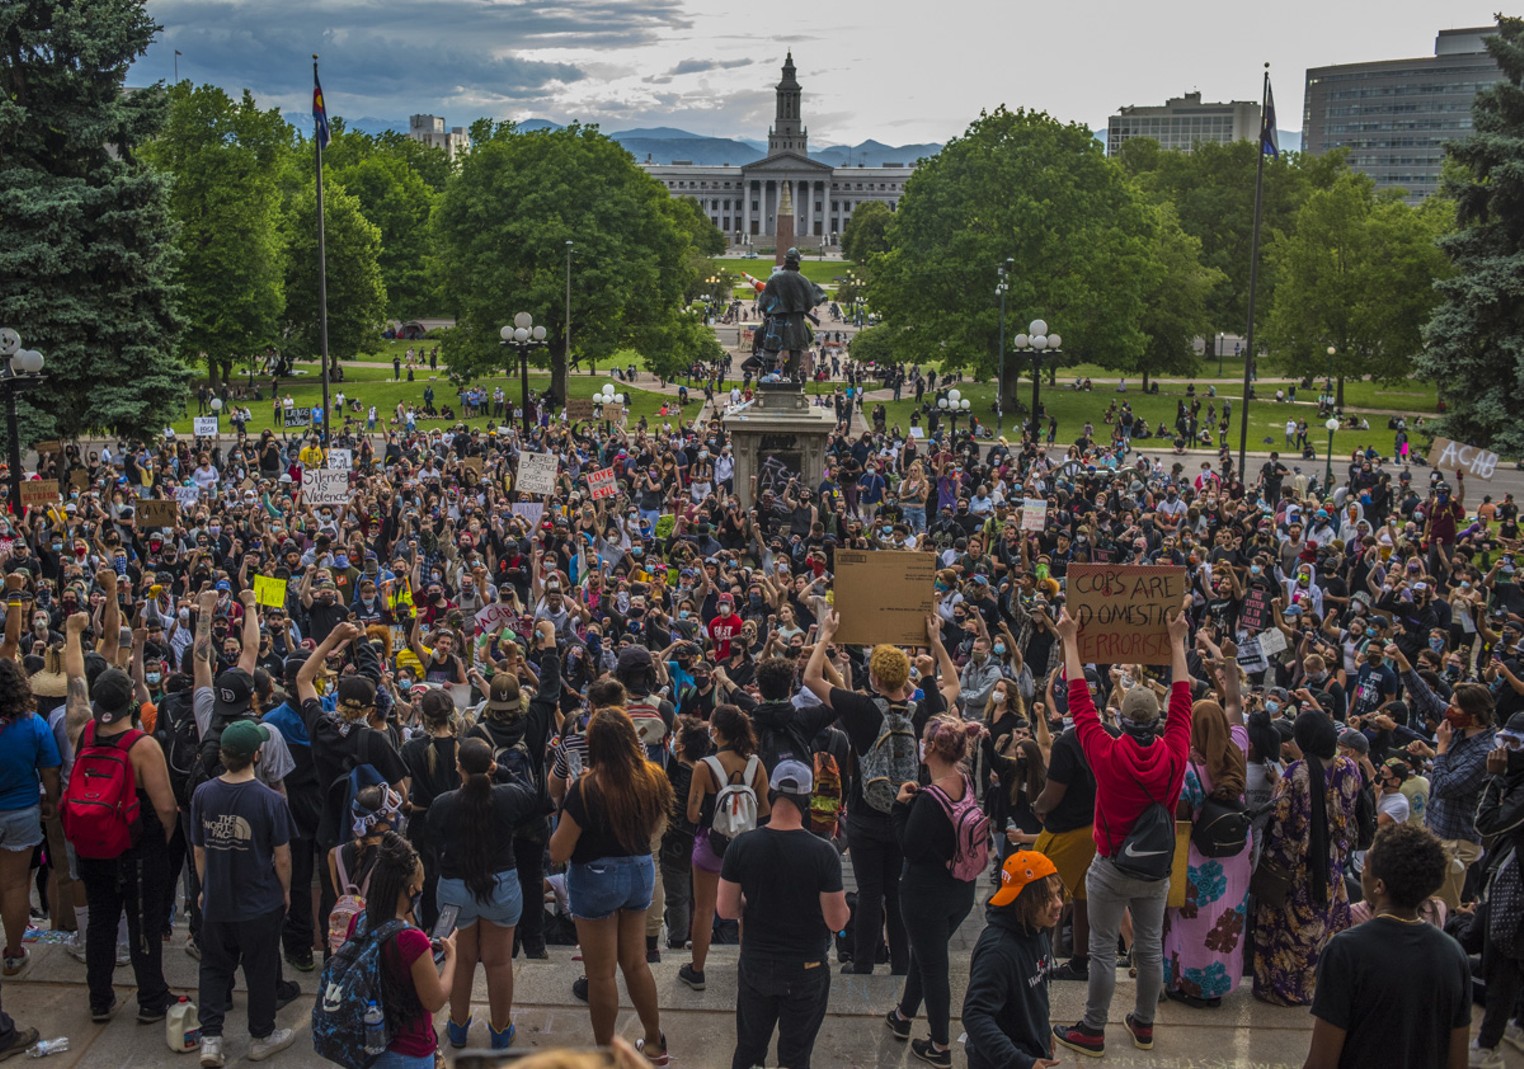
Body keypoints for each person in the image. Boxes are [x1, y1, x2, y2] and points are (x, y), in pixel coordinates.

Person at [1051, 600, 1192, 1060]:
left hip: (1111, 864)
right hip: (1156, 869)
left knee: (1102, 951)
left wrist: (1070, 639)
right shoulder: (1175, 753)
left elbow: (1078, 698)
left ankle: (1093, 1030)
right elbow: (1184, 697)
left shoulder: (1106, 754)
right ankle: (1144, 1024)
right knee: (1150, 947)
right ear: (1158, 722)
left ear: (1122, 720)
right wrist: (1176, 641)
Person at [802, 612, 959, 977]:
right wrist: (934, 646)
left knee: (870, 891)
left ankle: (863, 962)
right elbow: (952, 682)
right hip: (910, 812)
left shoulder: (861, 709)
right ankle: (902, 963)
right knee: (897, 890)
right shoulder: (926, 711)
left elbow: (810, 678)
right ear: (906, 677)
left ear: (873, 678)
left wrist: (825, 636)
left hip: (865, 813)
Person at [548, 708, 672, 1063]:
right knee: (635, 963)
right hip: (639, 872)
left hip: (596, 879)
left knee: (601, 974)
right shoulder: (652, 777)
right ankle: (654, 1042)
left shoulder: (586, 788)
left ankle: (607, 1054)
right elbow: (652, 830)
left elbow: (560, 850)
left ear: (594, 745)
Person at [1303, 823, 1469, 1069]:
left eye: (1365, 867)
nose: (1361, 873)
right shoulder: (1453, 954)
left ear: (1379, 885)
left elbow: (1321, 1062)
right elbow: (1457, 1061)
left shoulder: (1345, 951)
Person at [717, 759, 849, 1069]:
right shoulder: (823, 853)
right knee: (794, 1056)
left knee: (749, 1050)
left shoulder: (742, 845)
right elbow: (836, 921)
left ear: (772, 793)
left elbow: (725, 909)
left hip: (757, 964)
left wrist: (749, 905)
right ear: (807, 800)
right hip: (807, 967)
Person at [70, 664, 178, 1024]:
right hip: (137, 846)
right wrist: (163, 838)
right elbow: (165, 806)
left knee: (101, 921)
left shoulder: (84, 734)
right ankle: (151, 998)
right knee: (142, 921)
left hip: (93, 845)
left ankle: (99, 998)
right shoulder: (142, 746)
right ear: (132, 700)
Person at [190, 719, 296, 1067]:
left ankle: (210, 1038)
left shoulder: (203, 793)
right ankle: (262, 1035)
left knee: (214, 968)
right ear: (256, 754)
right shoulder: (270, 800)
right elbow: (282, 857)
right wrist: (285, 892)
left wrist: (205, 888)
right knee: (261, 969)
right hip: (259, 902)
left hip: (218, 900)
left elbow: (200, 850)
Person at [430, 737, 547, 1050]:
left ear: (459, 767)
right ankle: (499, 1030)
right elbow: (531, 794)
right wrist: (503, 772)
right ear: (490, 766)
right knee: (498, 962)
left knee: (461, 960)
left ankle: (457, 1027)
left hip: (455, 889)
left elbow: (433, 837)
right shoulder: (507, 798)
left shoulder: (443, 803)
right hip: (501, 887)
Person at [884, 714, 984, 1067]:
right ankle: (903, 1015)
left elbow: (908, 846)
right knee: (927, 956)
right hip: (961, 890)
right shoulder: (965, 779)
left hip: (925, 894)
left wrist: (899, 806)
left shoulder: (929, 799)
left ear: (928, 749)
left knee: (934, 968)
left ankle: (941, 1046)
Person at [1252, 711, 1362, 1006]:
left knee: (1285, 932)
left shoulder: (1294, 775)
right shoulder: (1349, 768)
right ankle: (1308, 987)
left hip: (1296, 870)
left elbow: (1282, 827)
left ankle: (1278, 988)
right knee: (1317, 930)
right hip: (1331, 865)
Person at [342, 831, 457, 1069]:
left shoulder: (359, 921)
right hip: (408, 1051)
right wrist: (452, 957)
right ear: (412, 890)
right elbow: (434, 1000)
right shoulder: (411, 940)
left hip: (368, 1044)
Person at [680, 704, 769, 992]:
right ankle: (747, 968)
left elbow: (692, 814)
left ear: (715, 731)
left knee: (704, 909)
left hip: (711, 845)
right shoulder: (756, 765)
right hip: (748, 845)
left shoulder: (705, 766)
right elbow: (765, 808)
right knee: (748, 907)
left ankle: (697, 970)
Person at [962, 851, 1065, 1069]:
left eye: (1058, 894)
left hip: (1031, 1049)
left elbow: (1035, 995)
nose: (1058, 904)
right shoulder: (997, 953)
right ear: (1023, 901)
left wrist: (1043, 1030)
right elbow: (975, 1016)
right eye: (1047, 898)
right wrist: (1020, 1062)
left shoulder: (1038, 929)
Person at [0, 657, 61, 980]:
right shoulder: (32, 723)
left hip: (19, 809)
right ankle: (12, 952)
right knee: (13, 885)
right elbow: (49, 770)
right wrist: (51, 801)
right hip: (21, 810)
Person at [1470, 711, 1524, 1068]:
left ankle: (1487, 1048)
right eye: (1501, 741)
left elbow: (1487, 824)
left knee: (1503, 964)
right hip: (1512, 874)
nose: (1502, 751)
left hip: (1517, 890)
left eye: (1513, 745)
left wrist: (1494, 780)